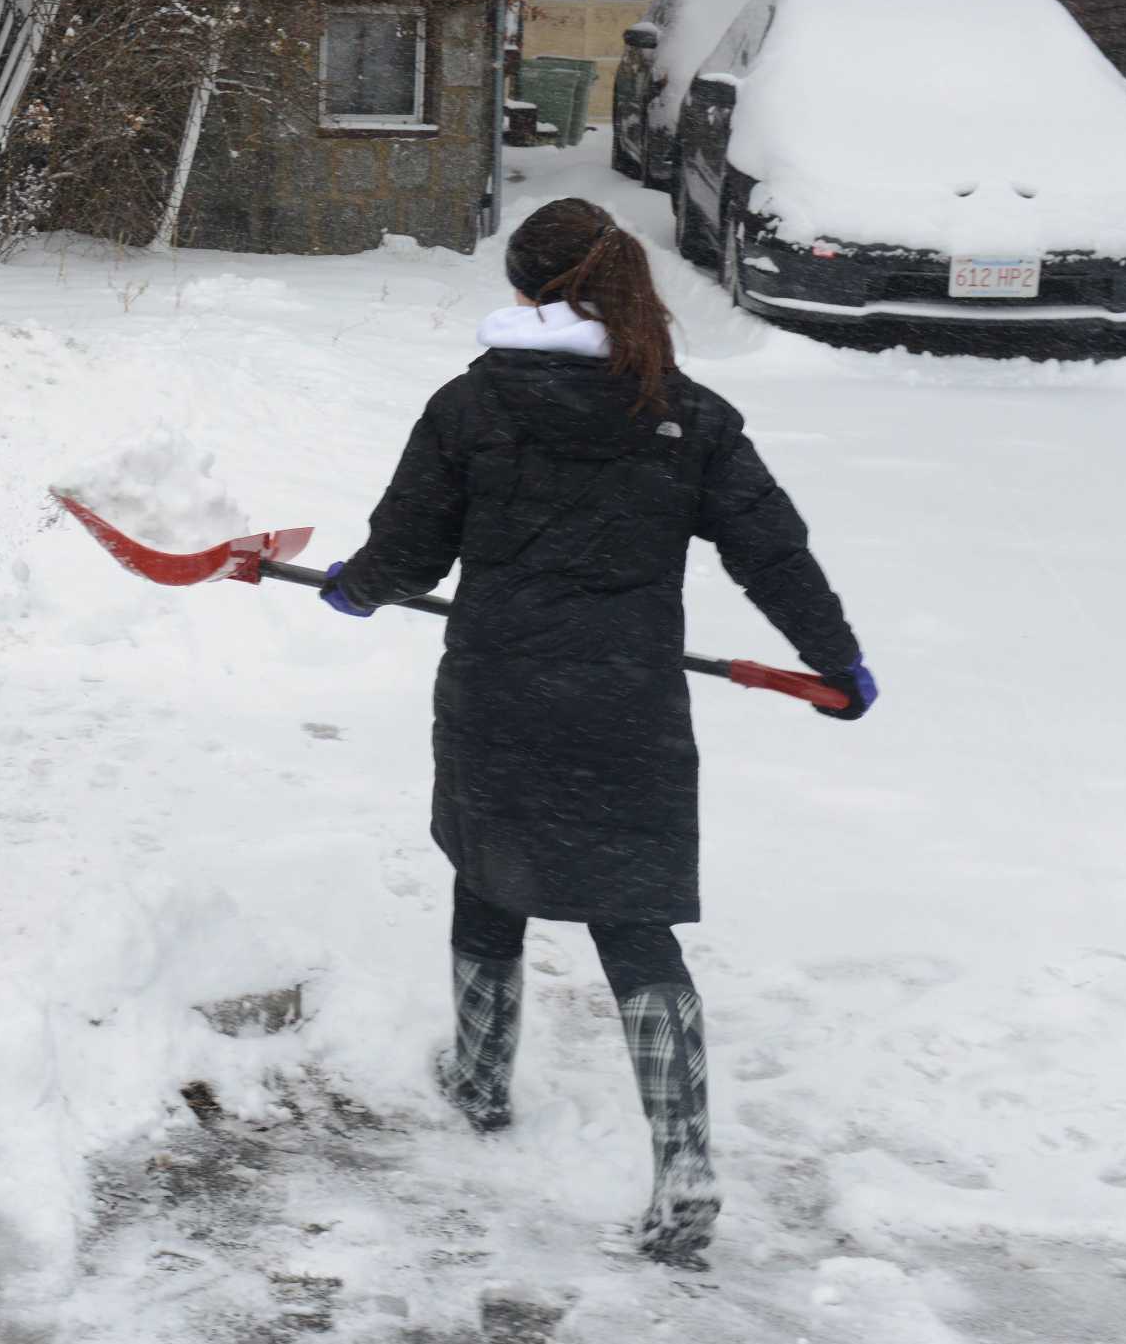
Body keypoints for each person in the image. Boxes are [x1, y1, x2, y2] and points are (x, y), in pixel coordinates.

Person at [318, 196, 874, 1266]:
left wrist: (353, 588)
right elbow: (773, 549)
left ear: (526, 289)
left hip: (501, 686)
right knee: (632, 917)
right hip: (628, 696)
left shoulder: (471, 406)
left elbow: (404, 553)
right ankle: (684, 1157)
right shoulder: (683, 412)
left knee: (489, 872)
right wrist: (834, 658)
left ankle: (481, 1080)